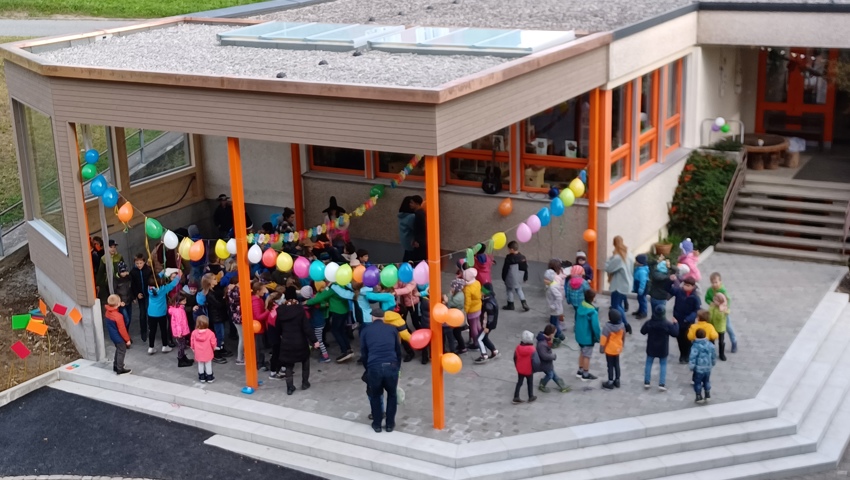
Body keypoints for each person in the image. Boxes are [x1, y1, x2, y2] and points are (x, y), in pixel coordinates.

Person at [361, 304, 402, 433]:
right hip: (391, 366)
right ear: (384, 318)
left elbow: (364, 353)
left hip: (374, 367)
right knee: (392, 395)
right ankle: (390, 424)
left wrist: (368, 368)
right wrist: (398, 367)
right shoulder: (392, 329)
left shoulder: (366, 331)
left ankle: (377, 424)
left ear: (372, 317)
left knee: (375, 396)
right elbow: (398, 350)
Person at [276, 287, 320, 395]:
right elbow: (306, 327)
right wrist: (314, 340)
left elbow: (277, 327)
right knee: (305, 362)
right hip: (300, 341)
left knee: (288, 365)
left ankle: (290, 387)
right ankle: (305, 383)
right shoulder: (299, 309)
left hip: (286, 342)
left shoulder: (280, 310)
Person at [306, 279, 355, 362]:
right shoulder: (341, 283)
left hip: (337, 311)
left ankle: (344, 351)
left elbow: (319, 298)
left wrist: (306, 302)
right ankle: (348, 349)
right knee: (341, 330)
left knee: (335, 330)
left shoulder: (332, 288)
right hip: (345, 310)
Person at [641, 304, 679, 391]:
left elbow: (642, 331)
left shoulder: (650, 322)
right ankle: (661, 383)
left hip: (651, 347)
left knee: (649, 363)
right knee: (663, 365)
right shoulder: (667, 324)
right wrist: (676, 324)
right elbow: (675, 333)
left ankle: (647, 382)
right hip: (663, 348)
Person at [604, 236, 633, 334]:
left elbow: (608, 268)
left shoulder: (617, 257)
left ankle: (625, 324)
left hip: (618, 285)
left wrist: (609, 258)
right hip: (626, 283)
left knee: (615, 305)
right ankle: (624, 324)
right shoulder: (629, 254)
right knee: (619, 304)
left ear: (614, 243)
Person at [147, 270, 181, 354]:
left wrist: (162, 273)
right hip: (161, 313)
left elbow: (155, 279)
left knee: (152, 331)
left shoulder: (149, 288)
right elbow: (173, 284)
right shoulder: (163, 289)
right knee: (163, 330)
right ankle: (164, 346)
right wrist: (179, 275)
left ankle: (151, 347)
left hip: (151, 313)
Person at [668, 276, 701, 363]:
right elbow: (669, 290)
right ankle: (682, 354)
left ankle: (687, 355)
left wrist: (689, 318)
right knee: (679, 338)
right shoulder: (679, 291)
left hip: (688, 322)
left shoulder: (695, 297)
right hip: (678, 320)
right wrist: (670, 281)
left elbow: (696, 310)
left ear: (693, 286)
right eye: (685, 284)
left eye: (688, 285)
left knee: (687, 339)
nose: (685, 287)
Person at [706, 272, 737, 353]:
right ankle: (712, 344)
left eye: (716, 282)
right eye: (712, 282)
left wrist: (725, 307)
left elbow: (728, 299)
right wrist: (710, 302)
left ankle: (734, 342)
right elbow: (707, 298)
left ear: (720, 282)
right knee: (712, 327)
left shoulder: (723, 290)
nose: (714, 284)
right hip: (714, 312)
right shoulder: (710, 290)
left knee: (728, 327)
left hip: (722, 313)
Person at [575, 289, 601, 381]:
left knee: (582, 352)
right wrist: (599, 337)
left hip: (580, 335)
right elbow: (595, 327)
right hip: (588, 337)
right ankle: (585, 374)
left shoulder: (580, 306)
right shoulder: (592, 312)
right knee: (587, 356)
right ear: (592, 298)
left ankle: (580, 370)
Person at [301, 286, 330, 363]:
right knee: (315, 339)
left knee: (319, 341)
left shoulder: (309, 304)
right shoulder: (315, 298)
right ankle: (314, 349)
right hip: (320, 322)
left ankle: (326, 356)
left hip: (317, 324)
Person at [537, 325, 569, 393]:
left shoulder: (545, 339)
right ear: (550, 334)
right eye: (554, 333)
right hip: (544, 363)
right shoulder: (542, 344)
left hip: (547, 363)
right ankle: (542, 384)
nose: (554, 335)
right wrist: (553, 356)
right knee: (550, 374)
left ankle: (562, 386)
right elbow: (544, 356)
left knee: (553, 374)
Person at [105, 294, 131, 375]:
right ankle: (120, 368)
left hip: (113, 336)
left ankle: (116, 365)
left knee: (118, 349)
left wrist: (120, 306)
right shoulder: (118, 316)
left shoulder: (108, 312)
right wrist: (127, 340)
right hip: (118, 337)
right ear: (117, 304)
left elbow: (114, 310)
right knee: (122, 350)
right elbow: (122, 330)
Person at [600, 310, 626, 390]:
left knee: (610, 365)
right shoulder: (622, 326)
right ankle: (617, 380)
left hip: (609, 350)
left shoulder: (607, 327)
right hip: (617, 349)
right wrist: (622, 345)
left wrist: (602, 348)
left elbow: (604, 339)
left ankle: (610, 382)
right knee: (617, 364)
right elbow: (623, 336)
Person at [474, 284, 500, 364]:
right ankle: (494, 351)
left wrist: (487, 326)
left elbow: (490, 316)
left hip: (487, 325)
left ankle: (484, 355)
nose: (480, 292)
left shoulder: (488, 303)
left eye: (482, 291)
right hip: (489, 324)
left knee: (479, 339)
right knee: (484, 338)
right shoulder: (490, 299)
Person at [689, 328, 717, 403]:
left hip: (699, 369)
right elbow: (714, 355)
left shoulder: (695, 346)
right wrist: (713, 362)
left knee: (697, 382)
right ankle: (707, 394)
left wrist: (691, 366)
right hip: (708, 368)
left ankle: (699, 396)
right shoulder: (710, 344)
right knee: (707, 381)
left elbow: (692, 357)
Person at [130, 253, 153, 342]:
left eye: (140, 263)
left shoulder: (148, 270)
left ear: (144, 262)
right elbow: (133, 285)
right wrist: (136, 294)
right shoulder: (133, 272)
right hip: (141, 296)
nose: (139, 265)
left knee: (150, 312)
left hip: (149, 294)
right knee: (142, 313)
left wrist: (151, 291)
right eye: (137, 263)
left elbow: (151, 281)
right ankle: (143, 331)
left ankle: (151, 327)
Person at [501, 241, 529, 311]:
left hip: (511, 277)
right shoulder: (523, 257)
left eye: (509, 249)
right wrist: (525, 277)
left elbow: (505, 268)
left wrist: (504, 277)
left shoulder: (509, 258)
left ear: (512, 249)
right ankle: (524, 303)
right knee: (519, 289)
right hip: (519, 277)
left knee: (509, 290)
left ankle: (510, 304)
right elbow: (525, 268)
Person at [250, 281, 271, 372]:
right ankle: (260, 364)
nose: (265, 291)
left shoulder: (257, 299)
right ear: (258, 291)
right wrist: (268, 311)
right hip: (257, 327)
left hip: (259, 326)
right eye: (263, 289)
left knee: (260, 346)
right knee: (259, 347)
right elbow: (259, 316)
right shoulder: (256, 301)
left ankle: (260, 362)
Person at [512, 330, 537, 404]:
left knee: (519, 382)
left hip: (520, 369)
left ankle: (516, 396)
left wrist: (517, 366)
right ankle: (530, 396)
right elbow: (535, 360)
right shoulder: (532, 349)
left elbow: (514, 357)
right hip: (529, 369)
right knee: (530, 383)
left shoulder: (518, 347)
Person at [96, 239, 124, 305]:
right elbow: (100, 272)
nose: (113, 249)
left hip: (119, 281)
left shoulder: (119, 257)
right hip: (109, 283)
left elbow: (123, 267)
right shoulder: (104, 258)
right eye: (111, 247)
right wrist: (99, 284)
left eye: (114, 247)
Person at [191, 315, 217, 383]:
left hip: (198, 352)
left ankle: (201, 377)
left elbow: (192, 342)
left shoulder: (194, 333)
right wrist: (214, 348)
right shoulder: (210, 333)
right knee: (208, 364)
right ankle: (210, 377)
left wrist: (193, 348)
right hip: (207, 352)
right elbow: (213, 342)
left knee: (200, 364)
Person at [169, 292, 193, 367]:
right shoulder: (179, 311)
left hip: (180, 331)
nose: (185, 302)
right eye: (184, 301)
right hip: (180, 332)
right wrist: (179, 332)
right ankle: (181, 359)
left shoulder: (178, 309)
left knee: (182, 345)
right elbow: (178, 323)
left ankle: (183, 357)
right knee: (181, 346)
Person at [225, 276, 244, 365]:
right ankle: (240, 358)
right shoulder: (236, 291)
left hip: (235, 317)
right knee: (242, 338)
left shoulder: (230, 290)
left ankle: (241, 357)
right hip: (239, 317)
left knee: (242, 337)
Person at [444, 278, 467, 354]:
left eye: (452, 287)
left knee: (457, 333)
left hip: (458, 318)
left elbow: (451, 304)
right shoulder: (458, 293)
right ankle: (461, 346)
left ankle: (462, 347)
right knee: (456, 333)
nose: (451, 288)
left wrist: (448, 298)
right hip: (458, 316)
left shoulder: (458, 297)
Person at [544, 269, 566, 347]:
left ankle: (557, 338)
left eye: (546, 279)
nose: (544, 280)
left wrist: (554, 306)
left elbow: (559, 297)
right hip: (554, 309)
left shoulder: (552, 287)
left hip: (555, 310)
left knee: (554, 325)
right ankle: (560, 335)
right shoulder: (551, 285)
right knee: (554, 323)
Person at [463, 268, 482, 349]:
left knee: (473, 327)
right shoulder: (477, 283)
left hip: (472, 310)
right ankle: (482, 338)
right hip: (478, 307)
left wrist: (465, 311)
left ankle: (476, 342)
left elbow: (468, 302)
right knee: (478, 324)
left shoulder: (467, 288)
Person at [113, 261, 133, 330]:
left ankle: (126, 333)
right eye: (122, 272)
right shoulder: (116, 279)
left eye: (125, 271)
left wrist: (133, 298)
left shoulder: (128, 277)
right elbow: (115, 292)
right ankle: (123, 333)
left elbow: (131, 288)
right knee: (126, 319)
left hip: (129, 300)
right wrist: (119, 301)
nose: (123, 273)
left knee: (129, 318)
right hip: (121, 302)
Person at [710, 292, 730, 361]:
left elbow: (720, 318)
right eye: (714, 299)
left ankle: (722, 354)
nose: (715, 301)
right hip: (712, 326)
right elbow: (710, 315)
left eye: (717, 300)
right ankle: (712, 353)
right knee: (711, 340)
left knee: (721, 341)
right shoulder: (712, 306)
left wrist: (721, 311)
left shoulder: (724, 308)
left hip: (720, 327)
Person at [397, 196, 416, 262]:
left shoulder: (401, 215)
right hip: (411, 241)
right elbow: (415, 228)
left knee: (406, 256)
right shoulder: (411, 216)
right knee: (411, 259)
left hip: (405, 240)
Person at [410, 195, 427, 262]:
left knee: (418, 259)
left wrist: (418, 241)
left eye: (412, 203)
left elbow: (421, 228)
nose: (410, 204)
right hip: (421, 241)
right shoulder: (420, 213)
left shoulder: (419, 214)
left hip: (420, 242)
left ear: (417, 204)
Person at [632, 254, 650, 319]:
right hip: (638, 285)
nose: (636, 262)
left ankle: (643, 312)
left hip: (642, 287)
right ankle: (640, 310)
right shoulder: (639, 268)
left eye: (637, 261)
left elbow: (643, 282)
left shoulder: (642, 271)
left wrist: (641, 289)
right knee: (640, 299)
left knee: (642, 300)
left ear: (641, 263)